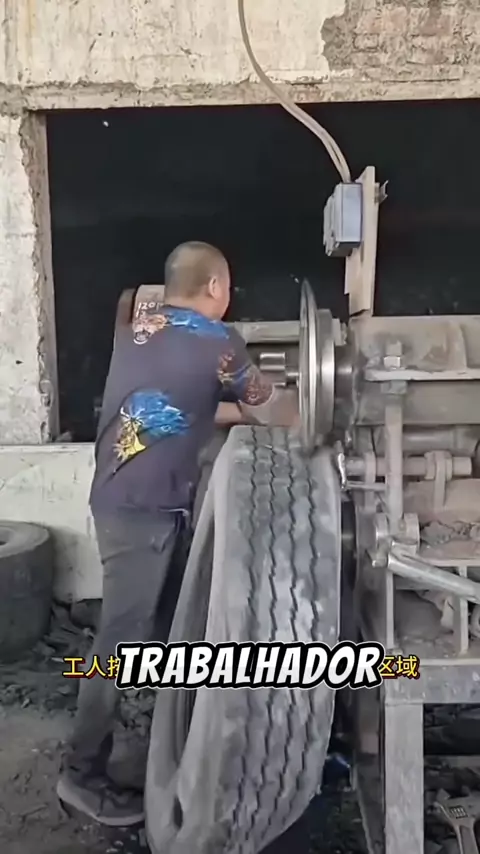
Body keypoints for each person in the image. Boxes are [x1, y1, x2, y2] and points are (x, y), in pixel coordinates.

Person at [56, 241, 298, 827]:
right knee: (119, 645)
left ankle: (174, 742)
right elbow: (279, 412)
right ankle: (80, 774)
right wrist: (321, 398)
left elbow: (187, 404)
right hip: (144, 513)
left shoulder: (139, 329)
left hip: (124, 501)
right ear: (215, 286)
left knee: (167, 628)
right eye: (227, 286)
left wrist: (238, 408)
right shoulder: (217, 341)